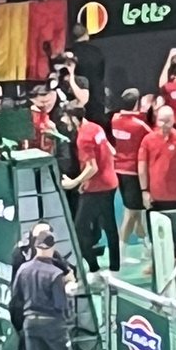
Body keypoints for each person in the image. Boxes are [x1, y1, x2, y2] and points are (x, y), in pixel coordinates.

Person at [12, 232, 88, 350]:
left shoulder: (23, 269)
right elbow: (60, 304)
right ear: (53, 248)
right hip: (53, 323)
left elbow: (16, 297)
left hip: (30, 322)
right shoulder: (55, 274)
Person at [63, 103, 120, 275]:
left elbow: (92, 168)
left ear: (74, 118)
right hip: (110, 183)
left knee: (79, 229)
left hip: (98, 189)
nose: (64, 121)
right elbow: (112, 151)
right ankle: (115, 268)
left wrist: (73, 183)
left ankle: (94, 269)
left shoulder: (83, 138)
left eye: (65, 117)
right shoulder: (96, 128)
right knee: (109, 226)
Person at [110, 89, 151, 265]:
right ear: (136, 103)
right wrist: (145, 110)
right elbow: (151, 135)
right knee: (132, 213)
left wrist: (141, 111)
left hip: (119, 169)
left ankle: (146, 248)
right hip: (134, 172)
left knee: (138, 212)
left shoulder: (115, 119)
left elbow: (129, 119)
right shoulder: (139, 125)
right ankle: (120, 253)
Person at [137, 106, 176, 213]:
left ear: (173, 120)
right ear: (156, 120)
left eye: (167, 121)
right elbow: (142, 167)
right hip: (154, 196)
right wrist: (144, 191)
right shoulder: (147, 140)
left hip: (175, 196)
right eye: (161, 120)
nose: (164, 124)